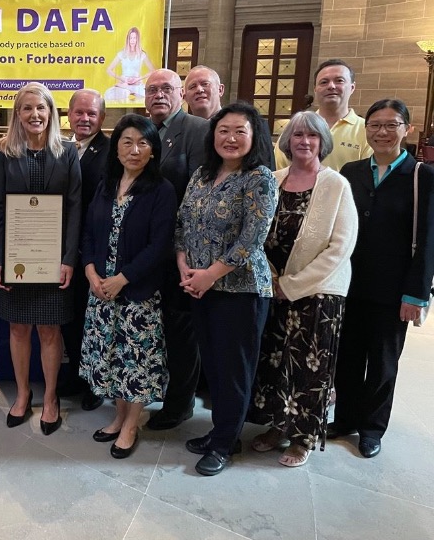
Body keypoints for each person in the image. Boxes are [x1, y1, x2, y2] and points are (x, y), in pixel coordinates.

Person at [247, 111, 358, 467]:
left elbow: (341, 248)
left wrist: (292, 285)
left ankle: (303, 437)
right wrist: (272, 281)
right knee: (275, 362)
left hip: (317, 294)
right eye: (297, 135)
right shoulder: (273, 179)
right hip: (273, 287)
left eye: (312, 136)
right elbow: (255, 235)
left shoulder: (336, 184)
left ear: (323, 142)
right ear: (287, 141)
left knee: (309, 369)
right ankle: (277, 427)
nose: (304, 142)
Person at [176, 102, 278, 476]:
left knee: (234, 369)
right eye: (223, 131)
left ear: (254, 136)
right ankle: (224, 431)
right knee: (214, 367)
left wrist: (210, 274)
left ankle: (223, 445)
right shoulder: (203, 174)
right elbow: (182, 223)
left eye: (240, 131)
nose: (230, 138)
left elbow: (251, 239)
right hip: (199, 286)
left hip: (241, 290)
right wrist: (185, 266)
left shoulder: (260, 178)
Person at [332, 99, 434, 458]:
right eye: (374, 125)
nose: (381, 132)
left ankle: (373, 427)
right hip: (349, 283)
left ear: (406, 128)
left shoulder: (423, 176)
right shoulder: (352, 171)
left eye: (391, 125)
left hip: (393, 290)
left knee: (382, 361)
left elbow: (428, 241)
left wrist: (416, 294)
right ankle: (344, 417)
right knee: (346, 356)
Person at [79, 114, 176, 459]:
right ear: (116, 148)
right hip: (101, 290)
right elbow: (89, 232)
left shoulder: (161, 190)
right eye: (127, 142)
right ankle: (118, 416)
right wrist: (90, 272)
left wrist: (123, 278)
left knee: (135, 360)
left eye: (143, 143)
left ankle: (132, 424)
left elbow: (160, 245)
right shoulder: (106, 185)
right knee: (110, 358)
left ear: (153, 150)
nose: (134, 149)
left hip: (137, 292)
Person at [0, 82, 82, 436]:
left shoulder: (67, 151)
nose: (35, 115)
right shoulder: (3, 152)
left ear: (51, 112)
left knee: (49, 328)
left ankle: (52, 397)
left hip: (53, 258)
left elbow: (75, 207)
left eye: (41, 108)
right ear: (17, 114)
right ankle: (24, 393)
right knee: (16, 327)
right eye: (27, 108)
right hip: (16, 259)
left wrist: (69, 258)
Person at [142, 68, 208, 432]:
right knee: (156, 327)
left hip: (180, 253)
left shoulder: (197, 131)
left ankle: (180, 403)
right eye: (152, 90)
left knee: (181, 332)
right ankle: (157, 388)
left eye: (166, 88)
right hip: (149, 251)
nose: (158, 95)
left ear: (180, 93)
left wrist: (188, 252)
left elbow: (202, 196)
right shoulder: (145, 132)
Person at [58, 89, 110, 411]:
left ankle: (95, 381)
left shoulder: (110, 152)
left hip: (95, 250)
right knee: (70, 315)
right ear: (69, 115)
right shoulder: (63, 150)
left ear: (102, 118)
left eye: (92, 113)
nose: (85, 118)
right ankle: (76, 373)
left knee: (95, 320)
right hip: (63, 249)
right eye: (79, 112)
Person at [275, 59, 372, 171]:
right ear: (315, 89)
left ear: (352, 87)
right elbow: (280, 170)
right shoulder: (295, 127)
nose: (331, 86)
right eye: (324, 82)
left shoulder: (367, 130)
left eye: (339, 80)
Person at [184, 65, 275, 170]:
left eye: (205, 84)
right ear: (185, 97)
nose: (199, 90)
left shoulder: (252, 124)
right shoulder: (182, 130)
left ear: (220, 90)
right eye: (192, 87)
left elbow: (268, 169)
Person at [105, 27, 155, 101]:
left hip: (137, 84)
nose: (132, 41)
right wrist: (121, 78)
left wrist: (138, 79)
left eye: (134, 38)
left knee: (147, 95)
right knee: (110, 94)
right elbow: (109, 70)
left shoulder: (142, 54)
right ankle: (122, 87)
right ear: (128, 39)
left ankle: (128, 89)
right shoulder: (122, 54)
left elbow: (153, 70)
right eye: (130, 38)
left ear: (137, 40)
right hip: (124, 83)